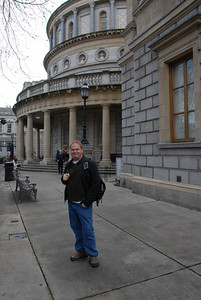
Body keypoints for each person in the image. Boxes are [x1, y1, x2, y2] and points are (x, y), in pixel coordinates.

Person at [61, 140, 101, 267]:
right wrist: (63, 179)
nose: (75, 151)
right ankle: (81, 250)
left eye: (77, 149)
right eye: (72, 149)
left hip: (83, 204)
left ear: (82, 150)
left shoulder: (89, 164)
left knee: (88, 230)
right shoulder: (69, 164)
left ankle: (93, 254)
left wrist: (87, 202)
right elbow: (67, 181)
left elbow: (96, 184)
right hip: (71, 203)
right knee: (76, 229)